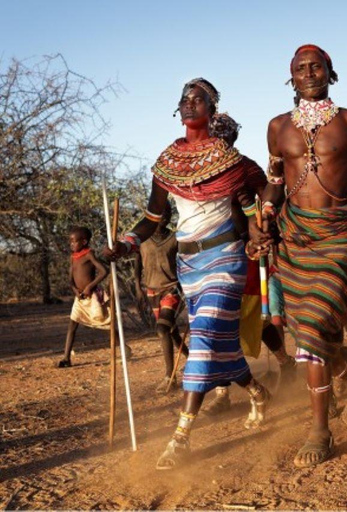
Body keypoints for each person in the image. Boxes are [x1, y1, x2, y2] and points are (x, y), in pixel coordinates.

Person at [104, 78, 271, 470]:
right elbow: (152, 218)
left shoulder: (229, 160)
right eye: (185, 99)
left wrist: (260, 223)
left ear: (212, 109)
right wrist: (126, 244)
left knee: (203, 341)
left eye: (199, 99)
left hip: (226, 257)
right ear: (178, 109)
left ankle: (180, 437)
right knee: (219, 343)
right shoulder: (167, 163)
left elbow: (258, 194)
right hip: (188, 265)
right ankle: (256, 390)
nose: (190, 104)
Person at [256, 44, 347, 467]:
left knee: (313, 325)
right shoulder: (278, 127)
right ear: (291, 77)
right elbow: (275, 182)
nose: (309, 73)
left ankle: (319, 432)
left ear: (330, 73)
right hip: (294, 238)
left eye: (317, 67)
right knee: (307, 336)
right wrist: (265, 213)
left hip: (341, 235)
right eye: (301, 68)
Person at [203, 112, 298, 415]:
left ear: (233, 139)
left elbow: (269, 200)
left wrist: (263, 230)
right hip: (207, 255)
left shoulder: (246, 168)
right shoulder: (198, 170)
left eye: (225, 136)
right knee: (217, 319)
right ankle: (223, 391)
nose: (219, 141)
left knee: (246, 317)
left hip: (244, 251)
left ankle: (284, 362)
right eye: (214, 135)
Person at [134, 203, 188, 392]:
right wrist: (138, 287)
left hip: (171, 289)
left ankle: (169, 377)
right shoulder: (143, 239)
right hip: (152, 290)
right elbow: (138, 263)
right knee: (171, 332)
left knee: (162, 328)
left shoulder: (175, 239)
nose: (163, 217)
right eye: (160, 213)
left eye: (167, 214)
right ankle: (192, 360)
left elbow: (185, 261)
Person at [58, 227, 110, 368]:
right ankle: (66, 358)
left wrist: (89, 287)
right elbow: (71, 278)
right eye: (70, 242)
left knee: (105, 323)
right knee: (72, 325)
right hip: (80, 298)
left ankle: (123, 347)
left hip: (92, 297)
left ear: (84, 242)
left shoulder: (89, 254)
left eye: (74, 241)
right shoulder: (73, 257)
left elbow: (104, 271)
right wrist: (74, 289)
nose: (71, 244)